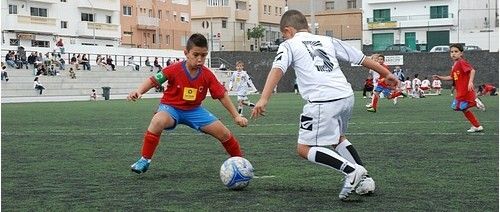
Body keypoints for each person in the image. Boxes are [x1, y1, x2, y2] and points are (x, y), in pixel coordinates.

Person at [250, 10, 399, 200]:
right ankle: (365, 179)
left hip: (322, 100)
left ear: (287, 30)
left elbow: (278, 68)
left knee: (304, 148)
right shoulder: (327, 40)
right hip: (346, 96)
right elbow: (361, 59)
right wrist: (386, 73)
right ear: (307, 26)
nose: (283, 38)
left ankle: (351, 171)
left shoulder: (289, 44)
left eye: (283, 35)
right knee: (338, 138)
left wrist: (263, 99)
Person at [127, 33, 248, 174]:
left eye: (203, 55)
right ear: (186, 53)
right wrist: (139, 91)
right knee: (157, 120)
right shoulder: (174, 69)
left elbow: (222, 95)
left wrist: (236, 116)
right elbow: (154, 80)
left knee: (225, 133)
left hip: (194, 110)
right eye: (196, 54)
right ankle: (145, 160)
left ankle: (241, 165)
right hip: (170, 108)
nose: (200, 59)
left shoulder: (207, 74)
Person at [432, 43, 484, 132]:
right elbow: (451, 77)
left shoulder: (461, 62)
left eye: (456, 51)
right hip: (460, 91)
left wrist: (470, 82)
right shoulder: (455, 65)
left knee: (457, 107)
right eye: (451, 52)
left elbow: (472, 70)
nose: (453, 53)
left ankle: (475, 102)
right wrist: (440, 77)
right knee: (464, 109)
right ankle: (477, 126)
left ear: (461, 53)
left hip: (465, 90)